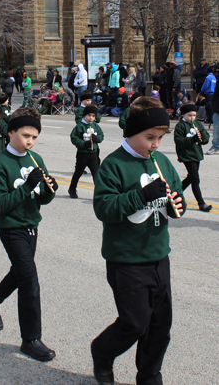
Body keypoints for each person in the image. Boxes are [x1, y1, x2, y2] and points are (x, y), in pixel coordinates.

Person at [91, 96, 186, 385]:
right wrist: (142, 195)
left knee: (159, 327)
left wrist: (176, 202)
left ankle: (149, 376)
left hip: (158, 256)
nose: (155, 144)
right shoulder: (114, 164)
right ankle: (102, 352)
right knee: (134, 323)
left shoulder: (162, 162)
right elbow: (104, 208)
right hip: (126, 259)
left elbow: (176, 193)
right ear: (131, 133)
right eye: (149, 137)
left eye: (159, 138)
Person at [0, 107, 58, 362]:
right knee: (29, 280)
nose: (30, 141)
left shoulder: (34, 158)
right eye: (25, 135)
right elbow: (2, 204)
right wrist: (28, 185)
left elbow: (44, 200)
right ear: (11, 132)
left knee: (18, 274)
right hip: (11, 227)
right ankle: (31, 339)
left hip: (31, 224)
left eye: (34, 137)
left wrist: (49, 189)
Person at [174, 103, 212, 212]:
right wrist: (192, 139)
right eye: (189, 115)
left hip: (196, 154)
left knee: (191, 177)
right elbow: (179, 141)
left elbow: (205, 139)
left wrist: (202, 136)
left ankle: (175, 193)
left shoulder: (197, 124)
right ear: (184, 115)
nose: (192, 118)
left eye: (194, 115)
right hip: (187, 155)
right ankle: (201, 203)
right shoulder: (181, 126)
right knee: (195, 179)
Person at [68, 105, 103, 198]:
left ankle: (99, 192)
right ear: (84, 115)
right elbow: (74, 138)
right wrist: (83, 144)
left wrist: (97, 138)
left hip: (93, 154)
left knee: (96, 174)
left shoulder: (96, 126)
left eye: (93, 116)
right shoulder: (80, 126)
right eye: (89, 115)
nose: (91, 118)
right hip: (83, 154)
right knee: (78, 172)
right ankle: (72, 188)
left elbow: (101, 136)